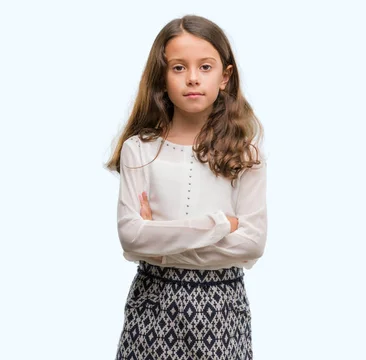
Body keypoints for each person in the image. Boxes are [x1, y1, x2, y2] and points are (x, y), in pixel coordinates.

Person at [105, 15, 267, 360]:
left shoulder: (245, 154)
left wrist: (160, 243)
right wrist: (220, 225)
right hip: (154, 306)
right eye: (178, 68)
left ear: (225, 76)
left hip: (222, 310)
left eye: (205, 67)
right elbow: (131, 237)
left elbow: (252, 244)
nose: (192, 78)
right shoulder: (140, 150)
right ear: (162, 78)